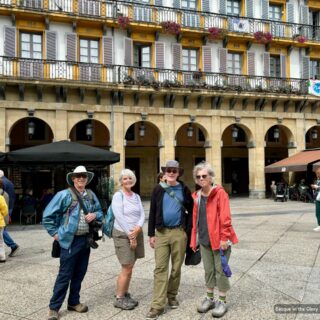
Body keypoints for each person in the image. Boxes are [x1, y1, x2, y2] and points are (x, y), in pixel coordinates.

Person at [42, 165, 103, 320]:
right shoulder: (64, 195)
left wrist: (94, 214)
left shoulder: (90, 195)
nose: (81, 178)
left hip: (86, 240)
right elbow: (47, 216)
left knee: (79, 273)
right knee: (65, 275)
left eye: (84, 176)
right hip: (70, 241)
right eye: (78, 176)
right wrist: (56, 234)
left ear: (87, 178)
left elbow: (101, 212)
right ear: (73, 179)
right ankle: (54, 307)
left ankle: (73, 302)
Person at [190, 161, 238, 318]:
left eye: (204, 176)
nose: (201, 178)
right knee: (209, 270)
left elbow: (225, 217)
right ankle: (210, 299)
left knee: (221, 270)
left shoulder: (220, 193)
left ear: (211, 177)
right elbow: (195, 220)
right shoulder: (196, 196)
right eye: (198, 177)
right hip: (204, 240)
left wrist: (224, 238)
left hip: (220, 240)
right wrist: (193, 240)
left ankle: (222, 301)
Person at [146, 160, 193, 319]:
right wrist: (151, 234)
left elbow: (191, 210)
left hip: (179, 233)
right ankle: (157, 305)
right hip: (161, 233)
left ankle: (171, 296)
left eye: (174, 170)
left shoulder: (184, 189)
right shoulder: (158, 189)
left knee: (176, 267)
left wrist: (188, 231)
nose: (171, 173)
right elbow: (152, 211)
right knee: (160, 268)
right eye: (169, 170)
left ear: (178, 173)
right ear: (164, 172)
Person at [111, 169, 145, 310]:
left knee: (131, 265)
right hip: (122, 234)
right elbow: (119, 216)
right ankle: (119, 298)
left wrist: (138, 227)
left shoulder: (136, 196)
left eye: (130, 178)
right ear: (121, 181)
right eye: (125, 179)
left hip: (136, 232)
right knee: (126, 266)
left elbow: (142, 214)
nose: (128, 181)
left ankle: (124, 293)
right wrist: (131, 235)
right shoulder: (118, 196)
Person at [0, 170, 20, 257]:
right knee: (2, 229)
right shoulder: (9, 182)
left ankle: (13, 246)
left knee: (1, 229)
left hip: (5, 208)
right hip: (9, 206)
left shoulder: (2, 182)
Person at [0, 193, 8, 263]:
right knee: (0, 240)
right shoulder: (0, 197)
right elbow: (5, 209)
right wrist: (1, 215)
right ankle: (2, 256)